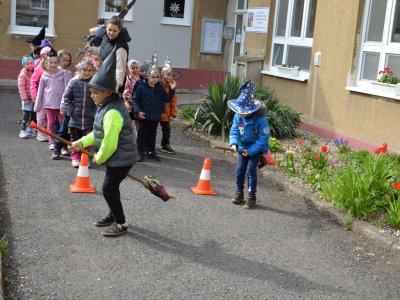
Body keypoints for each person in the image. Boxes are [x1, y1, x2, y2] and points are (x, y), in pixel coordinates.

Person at [69, 48, 137, 237]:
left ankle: (121, 223)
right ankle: (112, 215)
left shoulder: (113, 112)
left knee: (108, 188)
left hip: (122, 157)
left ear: (107, 93)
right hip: (117, 156)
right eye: (91, 92)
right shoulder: (105, 106)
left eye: (95, 93)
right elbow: (97, 134)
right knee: (111, 188)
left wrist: (99, 157)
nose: (92, 96)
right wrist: (81, 143)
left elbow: (109, 143)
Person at [228, 80, 270, 209]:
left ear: (251, 110)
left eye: (242, 111)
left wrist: (251, 151)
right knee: (240, 170)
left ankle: (251, 196)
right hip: (242, 147)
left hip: (256, 149)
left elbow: (263, 139)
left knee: (251, 170)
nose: (239, 113)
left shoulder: (261, 121)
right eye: (239, 111)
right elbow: (234, 131)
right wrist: (234, 143)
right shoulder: (238, 117)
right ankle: (239, 193)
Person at [133, 53, 177, 162]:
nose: (155, 80)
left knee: (152, 134)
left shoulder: (160, 87)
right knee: (142, 134)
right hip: (144, 115)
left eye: (157, 77)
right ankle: (140, 152)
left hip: (155, 115)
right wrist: (138, 111)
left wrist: (172, 89)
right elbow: (135, 100)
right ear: (147, 76)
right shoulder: (140, 86)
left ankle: (151, 151)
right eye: (153, 77)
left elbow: (166, 99)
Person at [55, 56, 98, 163]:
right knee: (75, 138)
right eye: (84, 70)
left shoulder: (94, 84)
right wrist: (71, 110)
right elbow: (66, 97)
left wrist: (95, 112)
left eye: (89, 70)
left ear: (93, 71)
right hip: (75, 117)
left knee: (86, 140)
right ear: (80, 70)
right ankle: (75, 157)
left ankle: (85, 158)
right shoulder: (73, 82)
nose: (87, 73)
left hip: (89, 118)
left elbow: (98, 100)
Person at [34, 48, 72, 151]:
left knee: (62, 123)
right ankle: (51, 140)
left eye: (55, 62)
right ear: (47, 62)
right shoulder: (44, 75)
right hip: (49, 104)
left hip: (60, 104)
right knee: (50, 123)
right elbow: (40, 91)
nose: (53, 64)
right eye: (51, 62)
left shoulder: (63, 73)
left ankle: (62, 142)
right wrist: (37, 105)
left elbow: (67, 89)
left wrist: (66, 104)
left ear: (58, 62)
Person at [89, 15, 131, 93]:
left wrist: (117, 85)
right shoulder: (106, 38)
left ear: (119, 30)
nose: (111, 33)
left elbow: (120, 68)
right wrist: (92, 49)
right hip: (103, 79)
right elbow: (104, 51)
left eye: (115, 31)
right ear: (106, 29)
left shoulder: (121, 47)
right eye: (109, 30)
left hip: (112, 85)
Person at [31, 46, 51, 142]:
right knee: (41, 115)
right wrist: (34, 96)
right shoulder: (39, 68)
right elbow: (33, 81)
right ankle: (40, 133)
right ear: (41, 57)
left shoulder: (54, 68)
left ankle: (48, 132)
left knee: (49, 115)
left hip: (50, 96)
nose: (45, 58)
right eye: (43, 56)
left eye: (47, 56)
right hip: (41, 96)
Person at [159, 55, 178, 155]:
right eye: (167, 74)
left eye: (171, 74)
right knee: (151, 130)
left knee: (166, 130)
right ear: (162, 74)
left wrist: (173, 113)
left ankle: (165, 145)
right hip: (157, 111)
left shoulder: (172, 86)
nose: (169, 76)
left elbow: (173, 101)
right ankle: (147, 146)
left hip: (166, 113)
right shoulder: (159, 84)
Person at [17, 55, 36, 139]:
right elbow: (21, 87)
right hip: (27, 99)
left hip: (33, 97)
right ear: (24, 65)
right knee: (26, 114)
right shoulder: (23, 74)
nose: (30, 65)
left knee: (33, 114)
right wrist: (24, 98)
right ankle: (23, 130)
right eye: (27, 64)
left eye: (31, 63)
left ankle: (31, 129)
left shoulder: (35, 72)